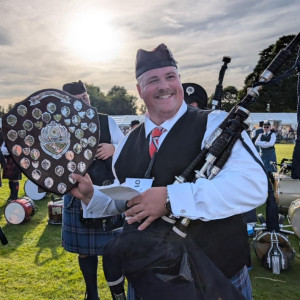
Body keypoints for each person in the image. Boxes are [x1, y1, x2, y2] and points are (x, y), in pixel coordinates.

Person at [70, 44, 267, 300]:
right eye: (153, 80)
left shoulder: (216, 124)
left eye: (170, 77)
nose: (164, 86)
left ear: (179, 81)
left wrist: (172, 198)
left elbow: (252, 185)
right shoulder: (127, 144)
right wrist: (91, 195)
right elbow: (128, 200)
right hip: (147, 277)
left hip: (216, 277)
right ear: (140, 90)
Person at [61, 80, 125, 300]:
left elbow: (129, 149)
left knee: (115, 249)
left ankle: (118, 293)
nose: (84, 102)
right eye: (77, 100)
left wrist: (114, 147)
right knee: (85, 250)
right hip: (77, 194)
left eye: (85, 97)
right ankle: (92, 293)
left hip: (109, 192)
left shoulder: (107, 122)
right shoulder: (61, 126)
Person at [255, 120, 277, 185]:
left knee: (270, 171)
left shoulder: (273, 134)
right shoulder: (260, 134)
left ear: (270, 127)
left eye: (267, 127)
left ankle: (273, 184)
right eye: (264, 127)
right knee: (263, 170)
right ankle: (266, 184)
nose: (266, 128)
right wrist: (265, 143)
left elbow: (271, 143)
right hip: (263, 154)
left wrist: (262, 144)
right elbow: (256, 143)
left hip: (270, 154)